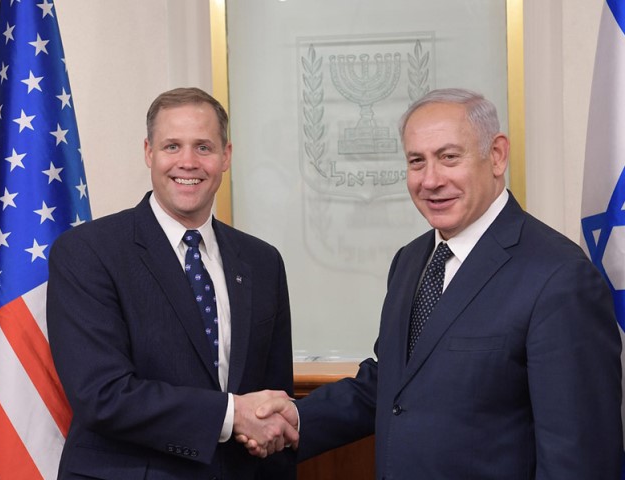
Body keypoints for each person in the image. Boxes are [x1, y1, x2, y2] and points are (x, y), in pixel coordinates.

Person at [247, 88, 623, 478]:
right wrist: (294, 418)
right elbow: (395, 384)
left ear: (496, 155)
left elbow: (579, 457)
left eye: (448, 157)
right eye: (416, 161)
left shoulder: (559, 276)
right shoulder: (411, 260)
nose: (430, 180)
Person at [46, 87, 297, 480]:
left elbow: (274, 400)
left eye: (203, 147)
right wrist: (233, 415)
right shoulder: (87, 252)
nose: (188, 162)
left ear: (226, 156)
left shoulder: (263, 262)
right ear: (149, 152)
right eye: (172, 146)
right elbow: (102, 396)